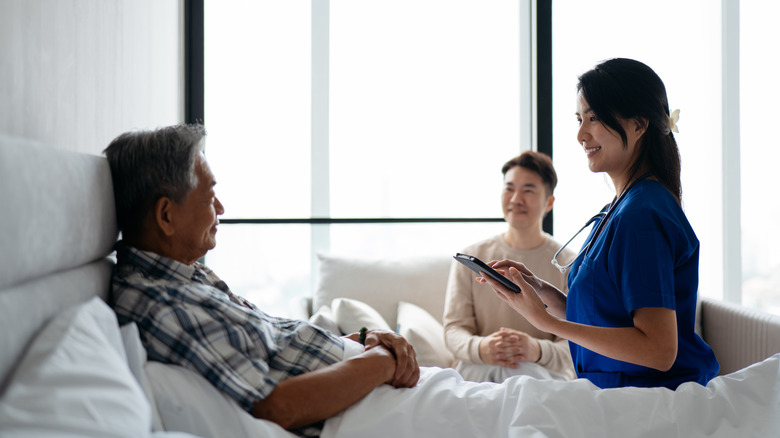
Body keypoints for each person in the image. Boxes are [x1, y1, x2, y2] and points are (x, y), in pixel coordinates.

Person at [103, 124, 419, 437]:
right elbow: (275, 406)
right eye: (209, 195)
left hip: (367, 385)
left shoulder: (182, 276)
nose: (221, 208)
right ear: (166, 216)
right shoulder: (163, 304)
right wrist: (381, 362)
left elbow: (278, 352)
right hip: (363, 409)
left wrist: (364, 342)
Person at [479, 58, 719, 390]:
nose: (581, 134)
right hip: (617, 394)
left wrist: (544, 321)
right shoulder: (622, 208)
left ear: (638, 125)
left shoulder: (642, 216)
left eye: (594, 118)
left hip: (648, 403)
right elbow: (605, 318)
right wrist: (540, 290)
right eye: (580, 119)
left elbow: (659, 350)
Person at [443, 151, 576, 383]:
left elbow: (578, 340)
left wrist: (536, 350)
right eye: (509, 188)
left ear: (549, 202)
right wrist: (482, 348)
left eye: (528, 190)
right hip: (481, 371)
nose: (516, 199)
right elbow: (454, 329)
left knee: (525, 377)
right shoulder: (473, 255)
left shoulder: (568, 263)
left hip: (541, 373)